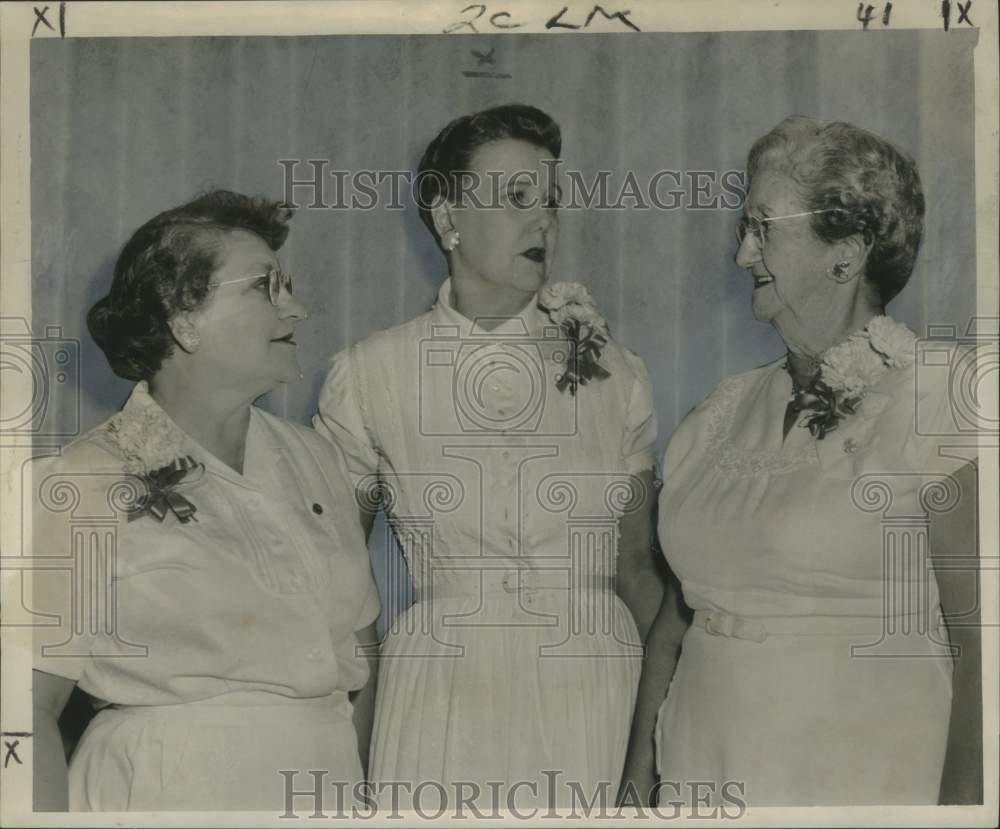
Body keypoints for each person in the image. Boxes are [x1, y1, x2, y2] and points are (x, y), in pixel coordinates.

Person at [314, 103, 664, 808]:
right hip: (444, 693)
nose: (543, 222)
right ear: (447, 219)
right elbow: (336, 588)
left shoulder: (617, 373)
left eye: (550, 201)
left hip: (594, 686)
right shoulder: (371, 372)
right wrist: (341, 752)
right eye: (515, 199)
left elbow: (638, 574)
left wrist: (653, 754)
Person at [627, 116, 981, 807]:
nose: (741, 255)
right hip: (705, 764)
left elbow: (983, 642)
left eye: (765, 228)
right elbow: (676, 617)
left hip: (862, 772)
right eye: (744, 227)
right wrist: (637, 782)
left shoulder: (941, 395)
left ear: (845, 252)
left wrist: (966, 810)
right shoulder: (719, 415)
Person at [32, 191, 380, 811]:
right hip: (164, 795)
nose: (298, 310)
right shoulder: (81, 480)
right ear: (182, 316)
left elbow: (360, 655)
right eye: (264, 288)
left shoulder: (317, 459)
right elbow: (23, 711)